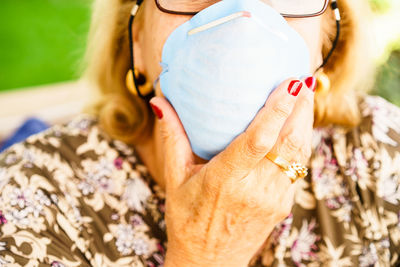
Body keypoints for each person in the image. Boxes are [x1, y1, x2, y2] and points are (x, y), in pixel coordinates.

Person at [1, 0, 400, 266]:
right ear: (135, 38)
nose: (245, 17)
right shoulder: (28, 196)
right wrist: (205, 255)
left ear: (328, 44)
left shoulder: (381, 151)